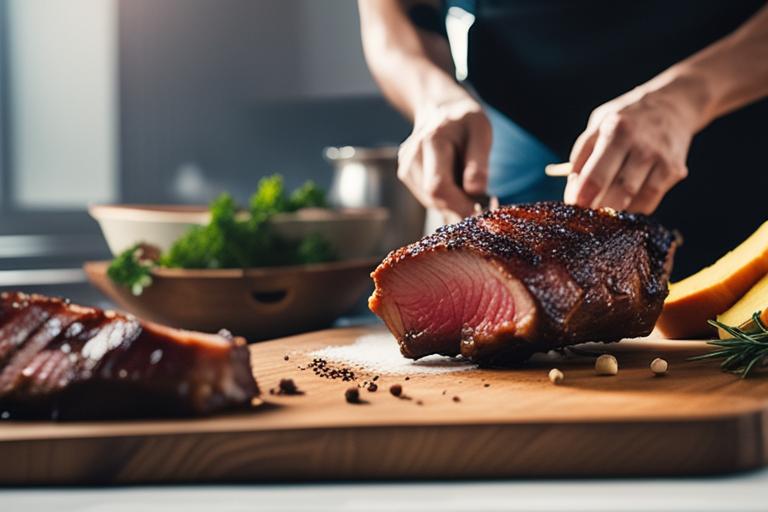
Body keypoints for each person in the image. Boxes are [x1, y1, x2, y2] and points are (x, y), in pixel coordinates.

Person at [358, 0, 768, 278]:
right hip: (515, 156)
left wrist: (690, 95)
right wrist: (434, 99)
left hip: (737, 150)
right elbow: (393, 20)